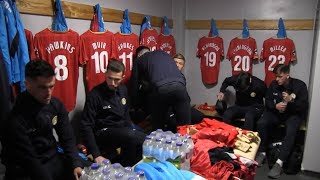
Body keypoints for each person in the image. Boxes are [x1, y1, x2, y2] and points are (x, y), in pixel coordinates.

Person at [1, 60, 83, 180]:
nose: (48, 93)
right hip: (24, 168)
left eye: (51, 86)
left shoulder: (55, 104)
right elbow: (30, 160)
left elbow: (67, 137)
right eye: (43, 88)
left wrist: (76, 163)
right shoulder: (15, 118)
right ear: (27, 85)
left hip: (51, 158)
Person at [80, 60, 146, 166]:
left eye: (116, 79)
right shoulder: (95, 94)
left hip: (121, 130)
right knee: (136, 136)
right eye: (109, 78)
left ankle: (129, 167)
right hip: (103, 132)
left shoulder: (123, 89)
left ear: (123, 77)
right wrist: (96, 154)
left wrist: (131, 128)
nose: (112, 83)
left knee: (137, 138)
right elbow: (86, 125)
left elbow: (126, 114)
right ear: (105, 74)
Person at [255, 64, 308, 179]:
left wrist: (291, 101)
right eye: (276, 76)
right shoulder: (274, 85)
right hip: (277, 114)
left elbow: (303, 106)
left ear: (287, 74)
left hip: (293, 115)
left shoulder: (300, 85)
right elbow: (268, 101)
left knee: (291, 130)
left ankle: (279, 163)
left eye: (280, 76)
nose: (277, 79)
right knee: (261, 123)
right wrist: (275, 106)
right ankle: (262, 152)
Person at [130, 50, 191, 131]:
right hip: (181, 88)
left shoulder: (139, 60)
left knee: (159, 130)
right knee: (185, 129)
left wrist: (134, 106)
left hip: (161, 90)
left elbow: (134, 86)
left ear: (139, 55)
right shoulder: (165, 54)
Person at [170, 53, 204, 125]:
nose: (177, 65)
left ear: (183, 66)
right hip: (171, 108)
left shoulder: (182, 77)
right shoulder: (166, 76)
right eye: (175, 62)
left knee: (200, 116)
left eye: (180, 63)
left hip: (182, 105)